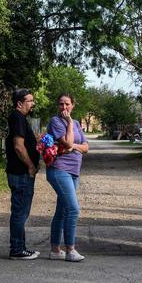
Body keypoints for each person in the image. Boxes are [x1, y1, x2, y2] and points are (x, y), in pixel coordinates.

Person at [47, 92, 89, 261]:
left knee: (62, 211)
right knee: (73, 209)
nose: (64, 107)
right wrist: (69, 123)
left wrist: (75, 147)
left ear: (73, 105)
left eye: (67, 104)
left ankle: (55, 250)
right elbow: (68, 143)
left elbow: (85, 147)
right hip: (59, 170)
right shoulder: (56, 121)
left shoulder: (79, 123)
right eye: (61, 104)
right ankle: (70, 250)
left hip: (74, 171)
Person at [5, 88, 41, 260]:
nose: (32, 104)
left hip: (20, 173)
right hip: (21, 173)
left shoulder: (19, 118)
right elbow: (19, 146)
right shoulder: (18, 117)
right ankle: (17, 249)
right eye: (29, 101)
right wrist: (30, 166)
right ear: (20, 103)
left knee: (21, 211)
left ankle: (20, 247)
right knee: (20, 212)